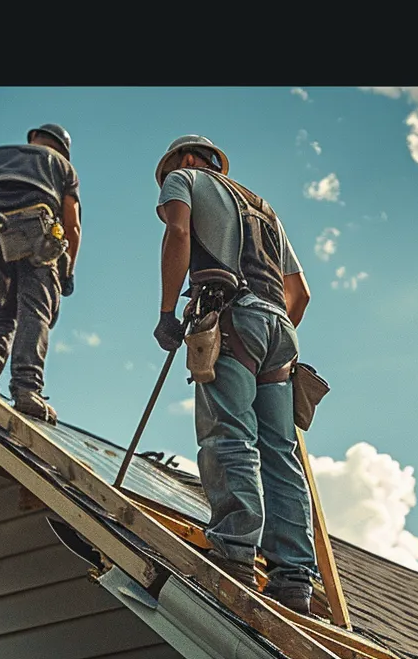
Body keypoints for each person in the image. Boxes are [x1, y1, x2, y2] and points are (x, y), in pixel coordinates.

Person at [150, 134, 318, 617]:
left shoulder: (186, 179)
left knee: (229, 434)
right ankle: (293, 581)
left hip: (231, 315)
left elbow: (179, 233)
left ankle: (235, 555)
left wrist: (167, 310)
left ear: (183, 160)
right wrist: (268, 324)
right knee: (281, 456)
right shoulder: (263, 208)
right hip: (279, 331)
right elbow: (300, 293)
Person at [0, 123, 80, 423]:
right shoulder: (63, 166)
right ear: (63, 149)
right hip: (35, 229)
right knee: (36, 309)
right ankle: (27, 388)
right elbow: (72, 226)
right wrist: (67, 272)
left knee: (7, 302)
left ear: (33, 137)